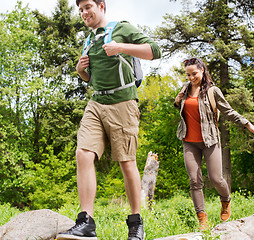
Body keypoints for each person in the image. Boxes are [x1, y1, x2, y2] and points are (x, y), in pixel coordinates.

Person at [56, 0, 161, 239]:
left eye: (88, 7)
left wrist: (121, 47)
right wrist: (80, 69)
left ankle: (135, 223)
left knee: (126, 161)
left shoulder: (121, 28)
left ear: (101, 6)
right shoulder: (88, 40)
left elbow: (155, 50)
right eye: (80, 9)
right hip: (97, 103)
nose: (84, 13)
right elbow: (89, 78)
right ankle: (86, 222)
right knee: (83, 153)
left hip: (123, 103)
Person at [174, 57, 254, 230]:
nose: (191, 78)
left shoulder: (212, 91)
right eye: (188, 75)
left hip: (210, 141)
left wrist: (248, 125)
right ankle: (202, 218)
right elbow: (181, 108)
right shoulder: (185, 89)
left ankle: (225, 200)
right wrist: (177, 101)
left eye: (194, 73)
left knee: (216, 178)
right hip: (189, 141)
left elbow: (229, 111)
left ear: (202, 70)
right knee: (194, 181)